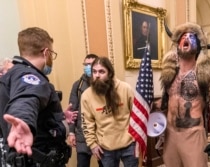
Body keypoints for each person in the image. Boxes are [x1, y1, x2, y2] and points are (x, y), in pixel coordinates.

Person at [0, 27, 77, 167]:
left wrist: (58, 116)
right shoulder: (30, 77)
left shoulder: (11, 75)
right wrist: (22, 120)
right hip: (40, 159)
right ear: (46, 52)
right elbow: (26, 99)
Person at [160, 22, 210, 167]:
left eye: (192, 37)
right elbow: (166, 103)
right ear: (178, 44)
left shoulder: (205, 75)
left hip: (193, 135)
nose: (187, 38)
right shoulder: (169, 74)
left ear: (198, 47)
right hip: (170, 135)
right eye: (183, 36)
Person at [81, 56, 138, 167]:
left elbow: (136, 115)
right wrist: (92, 144)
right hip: (105, 148)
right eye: (94, 72)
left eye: (101, 71)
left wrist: (137, 139)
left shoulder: (125, 88)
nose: (97, 75)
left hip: (129, 143)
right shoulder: (86, 96)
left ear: (110, 73)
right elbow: (86, 123)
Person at [67, 53, 103, 167]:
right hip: (82, 135)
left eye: (91, 64)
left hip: (101, 135)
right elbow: (72, 111)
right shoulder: (78, 85)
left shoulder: (104, 85)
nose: (88, 67)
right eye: (86, 64)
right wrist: (71, 132)